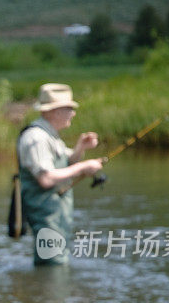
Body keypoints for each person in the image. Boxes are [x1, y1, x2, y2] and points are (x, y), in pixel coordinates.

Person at [17, 83, 104, 265]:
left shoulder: (50, 135)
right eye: (69, 109)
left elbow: (67, 162)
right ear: (54, 111)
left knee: (57, 261)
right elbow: (46, 179)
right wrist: (83, 168)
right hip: (46, 216)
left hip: (57, 215)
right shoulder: (37, 138)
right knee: (52, 264)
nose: (73, 113)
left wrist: (81, 148)